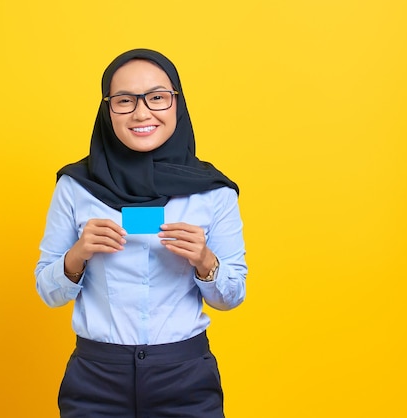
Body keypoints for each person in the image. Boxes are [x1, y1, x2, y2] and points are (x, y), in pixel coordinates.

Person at [35, 48, 247, 418]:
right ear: (107, 109)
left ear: (177, 104)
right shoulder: (76, 186)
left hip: (184, 375)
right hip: (96, 377)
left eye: (157, 98)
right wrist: (77, 254)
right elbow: (48, 293)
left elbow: (231, 297)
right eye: (124, 100)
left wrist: (205, 261)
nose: (141, 112)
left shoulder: (214, 191)